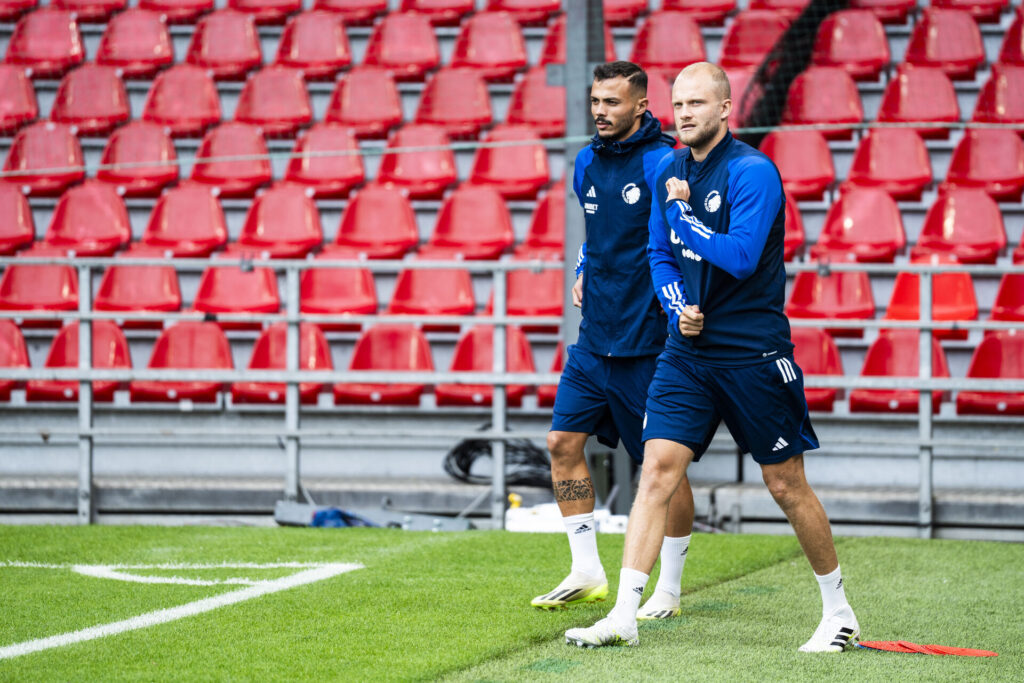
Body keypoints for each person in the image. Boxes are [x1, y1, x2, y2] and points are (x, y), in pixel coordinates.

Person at [564, 62, 859, 652]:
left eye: (698, 103)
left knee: (785, 484)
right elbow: (659, 254)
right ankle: (624, 612)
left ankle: (839, 611)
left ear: (725, 109)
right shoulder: (670, 168)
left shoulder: (754, 172)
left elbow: (742, 256)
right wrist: (677, 308)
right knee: (657, 471)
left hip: (753, 352)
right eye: (678, 104)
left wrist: (681, 214)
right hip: (687, 352)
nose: (685, 114)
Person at [531, 61, 695, 621]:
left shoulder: (664, 162)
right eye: (596, 100)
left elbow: (679, 245)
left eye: (612, 102)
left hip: (648, 344)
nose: (600, 111)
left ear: (641, 106)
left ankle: (668, 588)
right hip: (593, 337)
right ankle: (586, 568)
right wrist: (582, 265)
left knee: (664, 470)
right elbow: (597, 234)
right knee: (561, 445)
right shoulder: (585, 161)